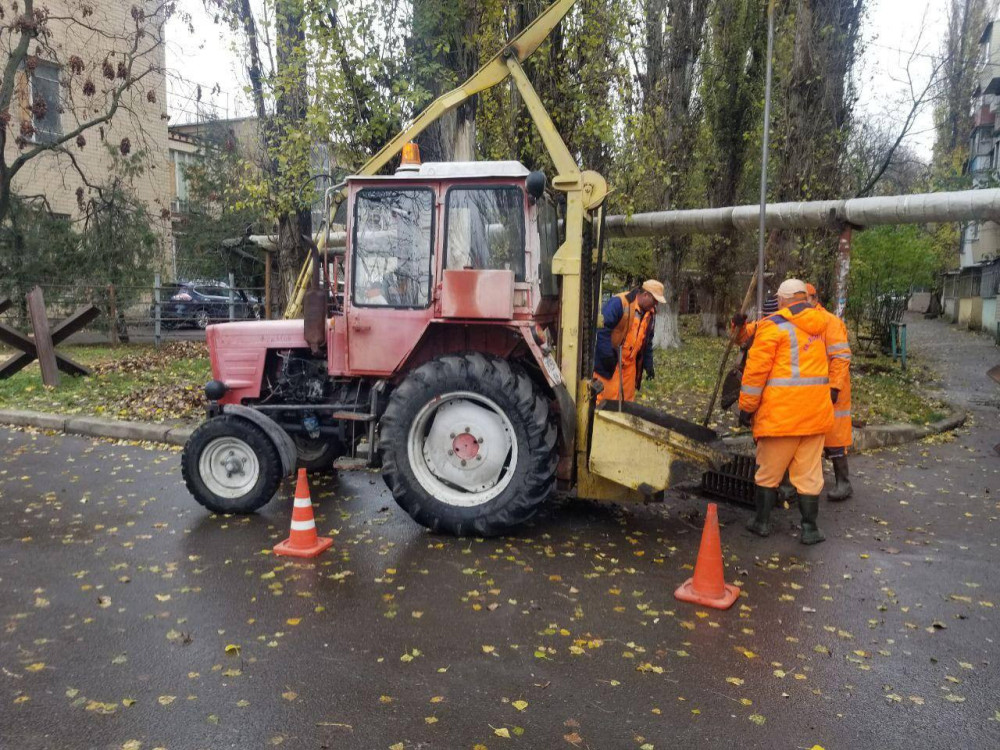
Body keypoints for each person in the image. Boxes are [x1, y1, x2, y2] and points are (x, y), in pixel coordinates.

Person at [739, 278, 834, 544]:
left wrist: (746, 408)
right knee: (809, 475)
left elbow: (755, 374)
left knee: (768, 473)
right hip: (815, 416)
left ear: (781, 300)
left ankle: (761, 522)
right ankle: (810, 529)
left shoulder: (773, 327)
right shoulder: (824, 324)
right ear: (805, 298)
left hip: (781, 417)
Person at [806, 282, 853, 500]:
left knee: (835, 438)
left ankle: (843, 483)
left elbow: (841, 357)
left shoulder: (830, 323)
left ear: (814, 299)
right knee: (808, 439)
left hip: (833, 390)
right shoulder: (806, 321)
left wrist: (834, 387)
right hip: (813, 390)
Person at [593, 280, 666, 404]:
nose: (656, 305)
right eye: (655, 301)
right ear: (646, 295)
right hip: (611, 363)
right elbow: (601, 330)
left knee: (627, 402)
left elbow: (647, 341)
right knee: (605, 401)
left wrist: (648, 364)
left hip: (630, 365)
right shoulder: (620, 302)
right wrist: (608, 357)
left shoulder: (650, 314)